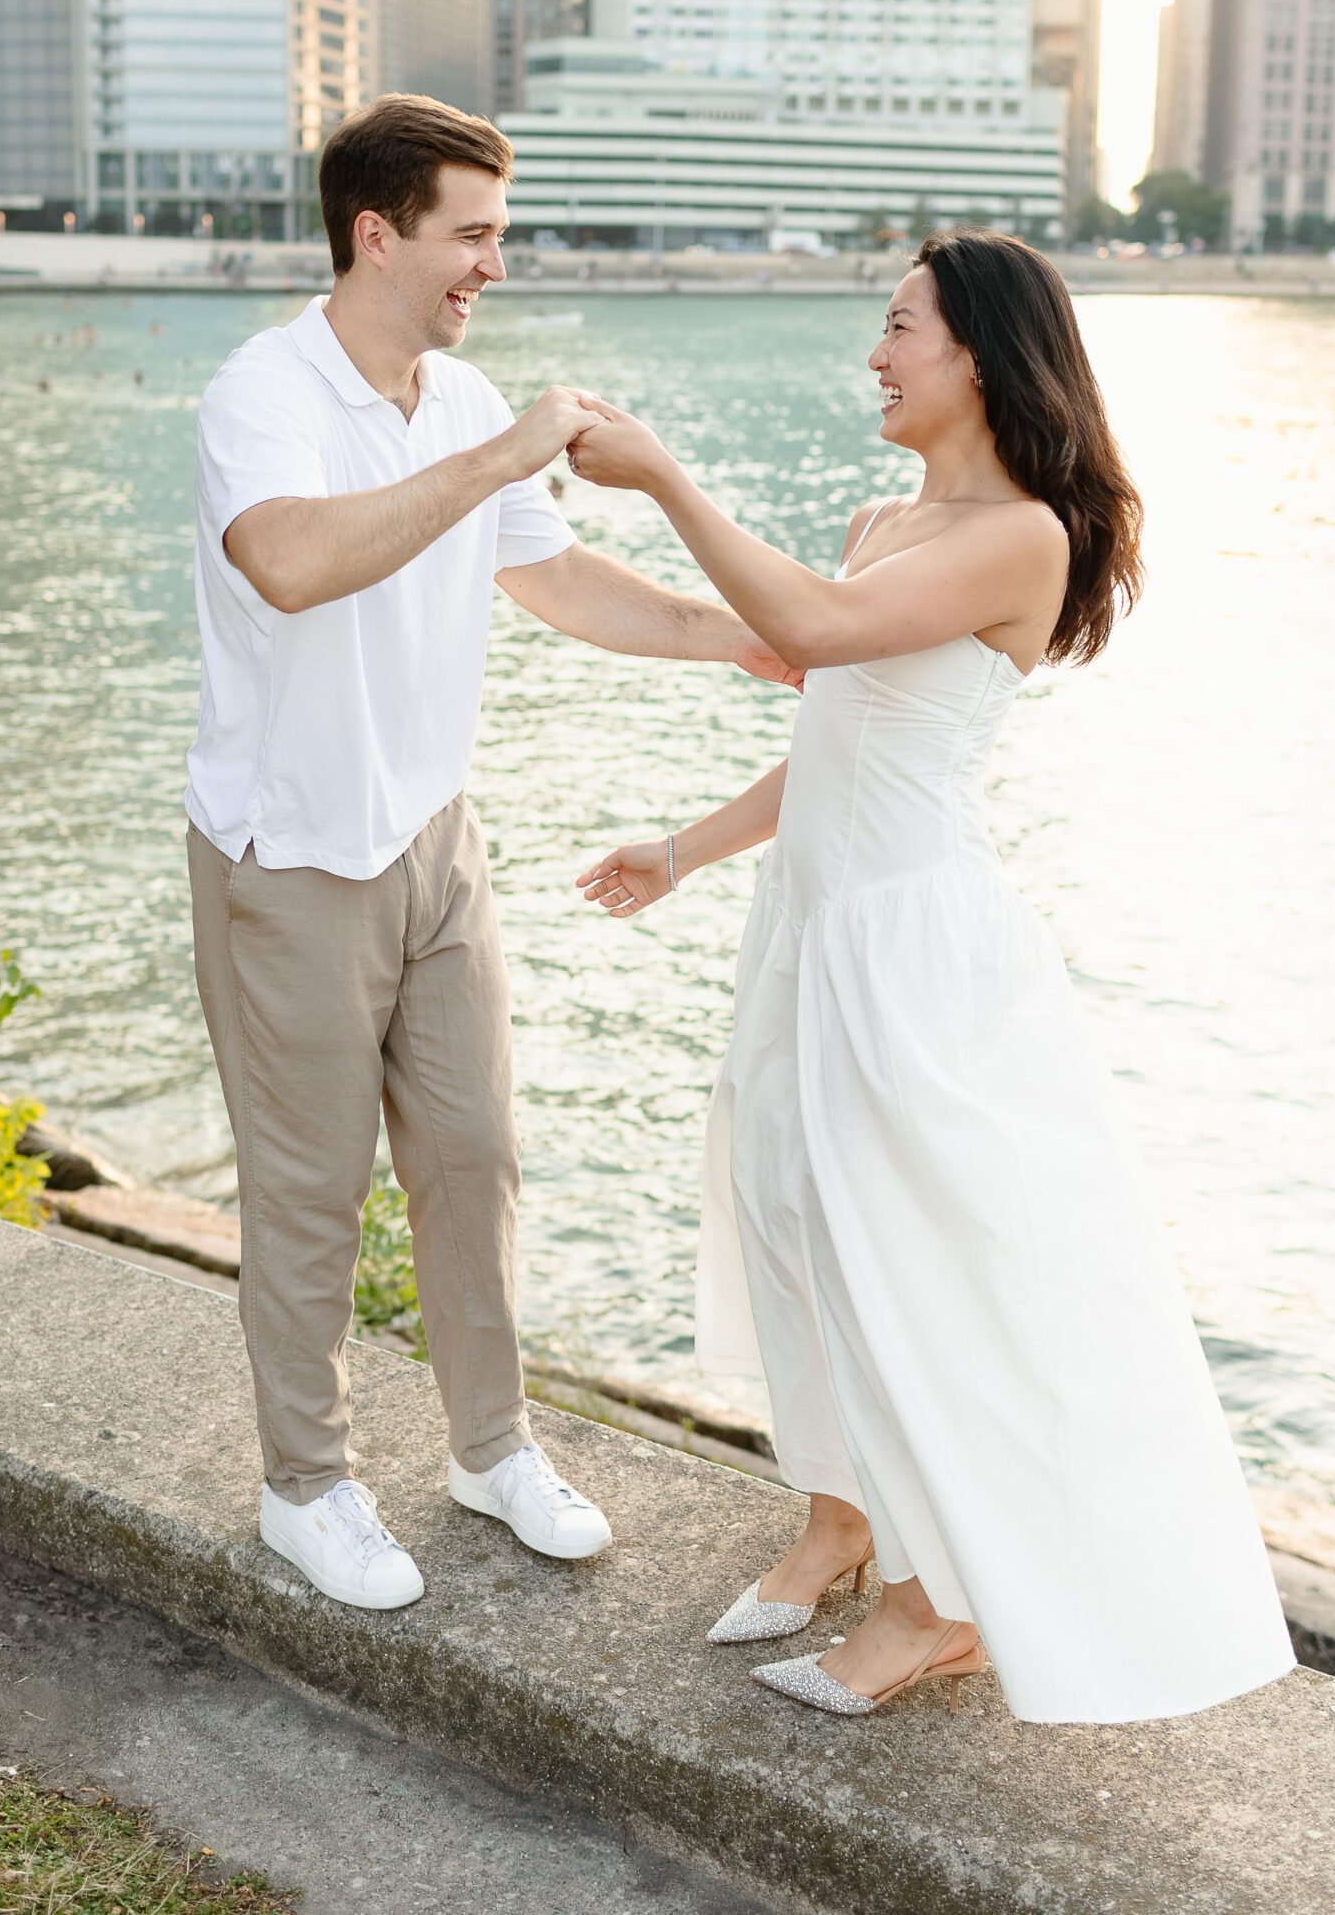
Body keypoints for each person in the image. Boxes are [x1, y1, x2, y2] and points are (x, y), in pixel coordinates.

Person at [569, 230, 1296, 1726]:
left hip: (912, 948)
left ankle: (931, 1608)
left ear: (978, 353)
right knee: (780, 1209)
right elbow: (835, 740)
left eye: (897, 325)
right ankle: (840, 1514)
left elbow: (813, 635)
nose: (874, 352)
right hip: (807, 920)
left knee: (896, 1249)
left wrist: (661, 477)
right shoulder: (873, 517)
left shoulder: (1022, 536)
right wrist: (687, 850)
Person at [185, 93, 794, 1614]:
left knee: (472, 1159)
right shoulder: (262, 393)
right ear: (375, 233)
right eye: (472, 237)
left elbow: (564, 580)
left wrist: (745, 642)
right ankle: (305, 1488)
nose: (490, 272)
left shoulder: (459, 404)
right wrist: (504, 449)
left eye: (498, 239)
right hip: (292, 851)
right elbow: (294, 560)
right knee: (312, 1190)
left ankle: (489, 1449)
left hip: (432, 841)